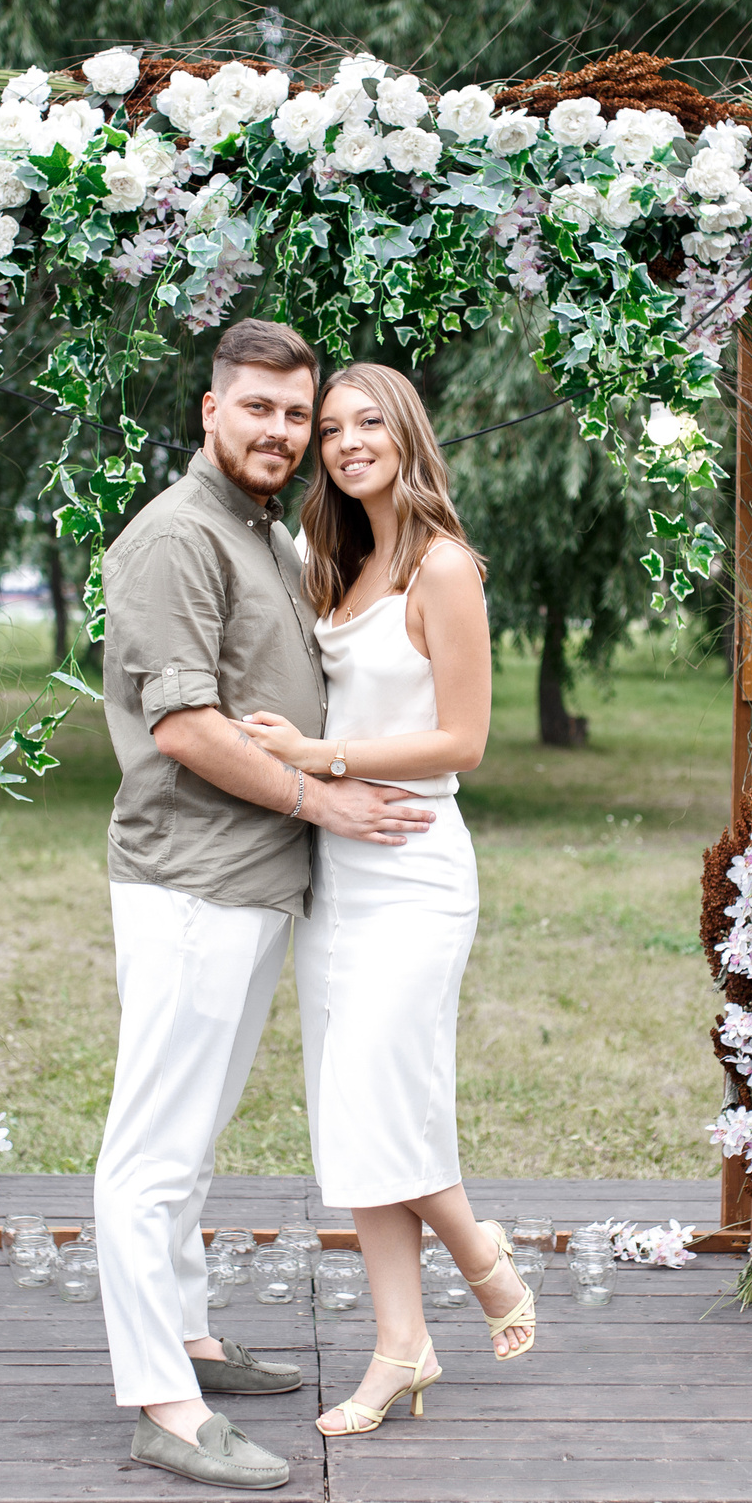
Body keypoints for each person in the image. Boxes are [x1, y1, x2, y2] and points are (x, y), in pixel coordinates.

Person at [94, 319, 439, 1491]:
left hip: (253, 884)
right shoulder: (172, 539)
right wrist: (322, 799)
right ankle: (162, 1403)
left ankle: (188, 1335)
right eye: (259, 409)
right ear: (209, 410)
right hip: (192, 878)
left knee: (189, 1147)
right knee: (151, 1151)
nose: (282, 433)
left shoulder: (260, 534)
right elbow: (183, 729)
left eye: (296, 415)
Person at [233, 362, 538, 1440]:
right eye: (330, 428)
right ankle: (402, 1345)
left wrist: (328, 756)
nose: (346, 440)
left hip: (413, 867)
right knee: (351, 1111)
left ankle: (483, 1262)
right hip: (337, 876)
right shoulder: (336, 565)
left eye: (369, 421)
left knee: (379, 1093)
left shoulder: (444, 568)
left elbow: (465, 739)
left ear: (406, 433)